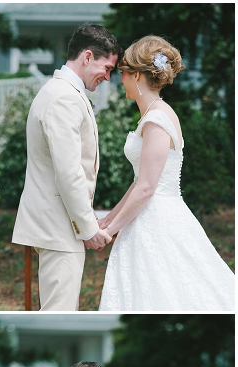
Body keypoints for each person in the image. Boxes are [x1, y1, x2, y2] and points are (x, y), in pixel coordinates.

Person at [97, 36, 235, 311]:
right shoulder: (153, 115)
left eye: (123, 73)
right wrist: (109, 220)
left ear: (136, 75)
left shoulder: (157, 119)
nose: (120, 79)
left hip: (157, 217)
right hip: (148, 212)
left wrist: (110, 230)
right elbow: (139, 182)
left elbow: (148, 187)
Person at [11, 24, 121, 311]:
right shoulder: (63, 97)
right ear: (87, 57)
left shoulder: (63, 92)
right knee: (58, 308)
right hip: (58, 228)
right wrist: (87, 228)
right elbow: (68, 172)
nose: (108, 77)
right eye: (107, 67)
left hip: (57, 223)